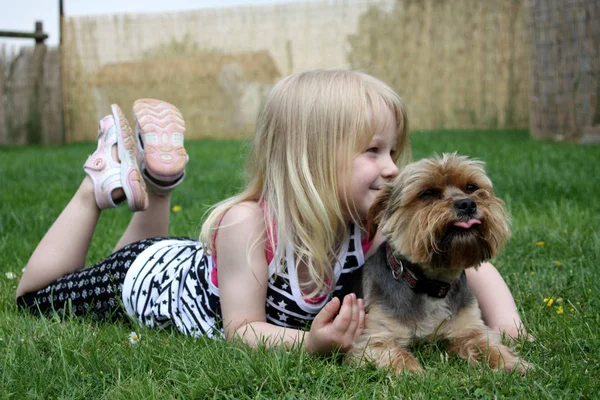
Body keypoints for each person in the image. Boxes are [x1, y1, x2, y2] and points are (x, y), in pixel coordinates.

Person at [16, 70, 527, 355]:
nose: (392, 169)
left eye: (393, 152)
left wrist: (505, 327)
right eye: (373, 152)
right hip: (151, 283)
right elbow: (242, 329)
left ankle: (159, 185)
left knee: (135, 248)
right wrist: (313, 344)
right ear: (311, 156)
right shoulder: (249, 226)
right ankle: (95, 184)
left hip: (186, 263)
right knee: (36, 299)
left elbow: (467, 266)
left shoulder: (366, 225)